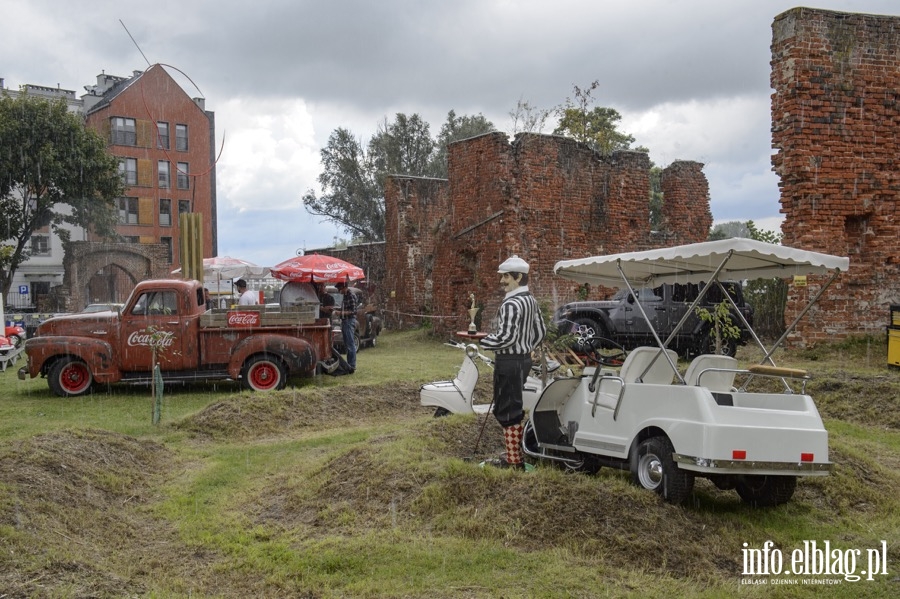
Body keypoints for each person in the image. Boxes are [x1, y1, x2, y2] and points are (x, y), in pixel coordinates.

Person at [479, 255, 546, 470]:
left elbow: (505, 337)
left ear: (519, 277)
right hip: (523, 360)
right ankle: (513, 455)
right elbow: (541, 332)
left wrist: (483, 340)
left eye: (506, 276)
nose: (502, 281)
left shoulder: (511, 304)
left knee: (507, 410)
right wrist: (526, 347)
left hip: (508, 361)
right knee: (513, 406)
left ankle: (514, 461)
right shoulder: (531, 300)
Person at [335, 281, 357, 373]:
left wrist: (341, 313)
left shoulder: (351, 296)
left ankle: (352, 365)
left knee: (350, 344)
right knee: (347, 344)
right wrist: (337, 310)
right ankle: (349, 364)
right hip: (345, 321)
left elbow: (353, 311)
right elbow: (345, 308)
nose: (339, 291)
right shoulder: (345, 296)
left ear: (344, 287)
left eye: (340, 289)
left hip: (349, 321)